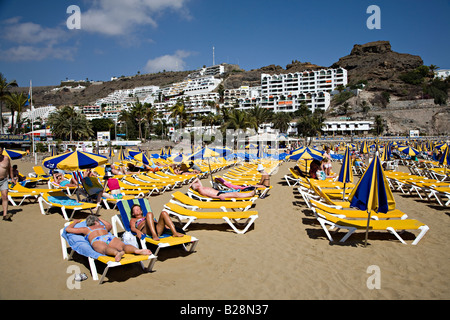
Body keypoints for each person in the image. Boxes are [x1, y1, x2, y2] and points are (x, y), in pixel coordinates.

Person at [65, 215, 152, 261]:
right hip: (108, 237)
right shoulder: (103, 227)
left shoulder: (86, 229)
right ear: (96, 222)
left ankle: (116, 253)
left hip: (97, 239)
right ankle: (137, 250)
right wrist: (100, 219)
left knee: (105, 249)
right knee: (123, 246)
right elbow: (109, 225)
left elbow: (68, 229)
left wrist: (75, 222)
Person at [190, 177, 256, 200]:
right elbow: (209, 196)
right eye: (196, 184)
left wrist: (191, 183)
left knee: (235, 193)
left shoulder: (201, 187)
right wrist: (219, 197)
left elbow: (197, 179)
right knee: (235, 195)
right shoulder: (201, 190)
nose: (197, 183)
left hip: (220, 193)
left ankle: (249, 193)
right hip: (219, 195)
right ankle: (250, 194)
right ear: (196, 187)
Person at [0, 144, 13, 221]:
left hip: (4, 180)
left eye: (0, 151)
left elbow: (10, 168)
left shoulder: (6, 158)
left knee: (5, 196)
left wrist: (12, 178)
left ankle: (5, 215)